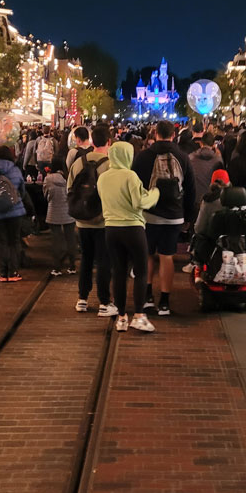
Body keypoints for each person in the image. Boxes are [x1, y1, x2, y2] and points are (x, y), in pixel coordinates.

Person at [131, 120, 196, 317]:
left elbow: (135, 185)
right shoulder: (183, 157)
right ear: (173, 135)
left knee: (148, 255)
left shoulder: (144, 157)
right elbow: (191, 190)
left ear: (155, 134)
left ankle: (148, 296)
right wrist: (188, 216)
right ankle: (165, 302)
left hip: (149, 214)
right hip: (174, 216)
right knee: (167, 256)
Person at [98, 141, 160, 333]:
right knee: (141, 272)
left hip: (111, 229)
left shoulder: (103, 178)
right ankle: (139, 316)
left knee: (118, 272)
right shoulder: (130, 176)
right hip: (132, 229)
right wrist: (155, 194)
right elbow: (138, 202)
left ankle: (122, 317)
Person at [68, 123, 115, 316]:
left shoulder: (78, 162)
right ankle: (104, 301)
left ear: (92, 141)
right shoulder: (110, 164)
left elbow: (69, 189)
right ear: (109, 142)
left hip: (82, 220)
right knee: (104, 260)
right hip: (103, 221)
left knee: (86, 259)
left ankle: (82, 299)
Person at [0, 145, 29, 282]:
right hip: (15, 211)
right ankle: (13, 272)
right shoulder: (14, 169)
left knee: (2, 242)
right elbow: (22, 190)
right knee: (14, 241)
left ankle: (2, 273)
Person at [44, 158, 77, 276]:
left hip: (53, 211)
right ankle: (72, 266)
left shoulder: (48, 179)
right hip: (68, 211)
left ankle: (57, 268)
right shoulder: (69, 178)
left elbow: (46, 195)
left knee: (56, 240)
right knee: (70, 239)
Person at [189, 132, 223, 204]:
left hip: (193, 198)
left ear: (201, 143)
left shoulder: (191, 157)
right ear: (213, 145)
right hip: (211, 200)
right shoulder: (218, 160)